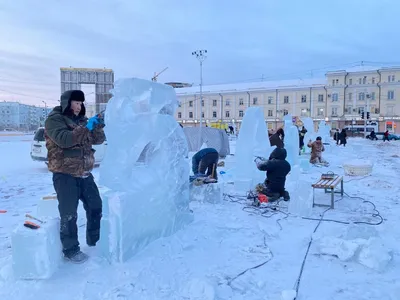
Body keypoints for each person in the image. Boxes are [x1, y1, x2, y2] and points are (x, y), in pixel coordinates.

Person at [45, 90, 106, 263]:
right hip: (65, 174)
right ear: (67, 102)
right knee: (69, 213)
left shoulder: (82, 121)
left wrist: (98, 125)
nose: (79, 107)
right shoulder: (54, 119)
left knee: (96, 206)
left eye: (81, 103)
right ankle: (71, 250)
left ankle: (95, 240)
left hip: (85, 174)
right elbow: (65, 139)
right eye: (76, 103)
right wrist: (86, 127)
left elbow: (98, 140)